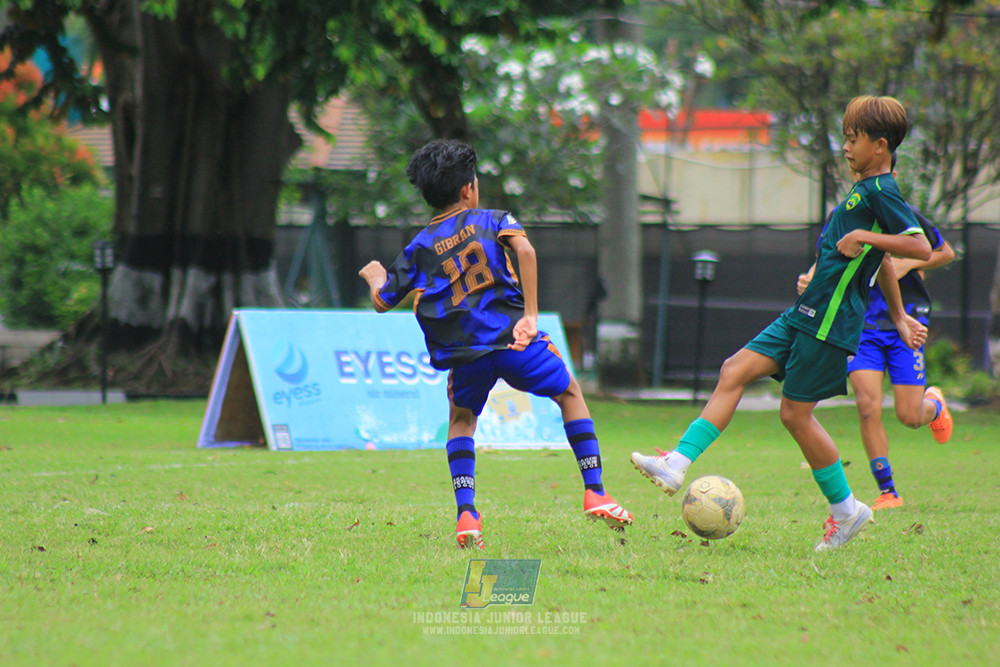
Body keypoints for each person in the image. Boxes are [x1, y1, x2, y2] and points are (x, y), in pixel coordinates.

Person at [631, 95, 932, 551]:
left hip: (830, 323)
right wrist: (895, 313)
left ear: (881, 145)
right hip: (805, 313)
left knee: (795, 414)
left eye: (854, 139)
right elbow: (882, 263)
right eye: (846, 138)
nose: (846, 147)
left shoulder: (881, 192)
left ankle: (847, 511)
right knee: (734, 370)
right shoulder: (861, 189)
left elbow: (921, 248)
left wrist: (864, 237)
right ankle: (677, 462)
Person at [359, 139, 632, 550]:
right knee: (570, 393)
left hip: (466, 357)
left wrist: (375, 275)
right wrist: (531, 314)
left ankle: (467, 514)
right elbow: (524, 248)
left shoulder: (419, 246)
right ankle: (595, 490)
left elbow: (382, 303)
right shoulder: (493, 219)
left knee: (462, 422)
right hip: (514, 343)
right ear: (468, 188)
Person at [797, 153, 954, 512]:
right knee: (867, 405)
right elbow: (827, 255)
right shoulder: (846, 213)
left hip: (905, 321)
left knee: (909, 415)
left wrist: (903, 264)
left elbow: (944, 251)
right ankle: (888, 491)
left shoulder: (904, 215)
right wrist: (809, 277)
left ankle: (934, 406)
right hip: (862, 324)